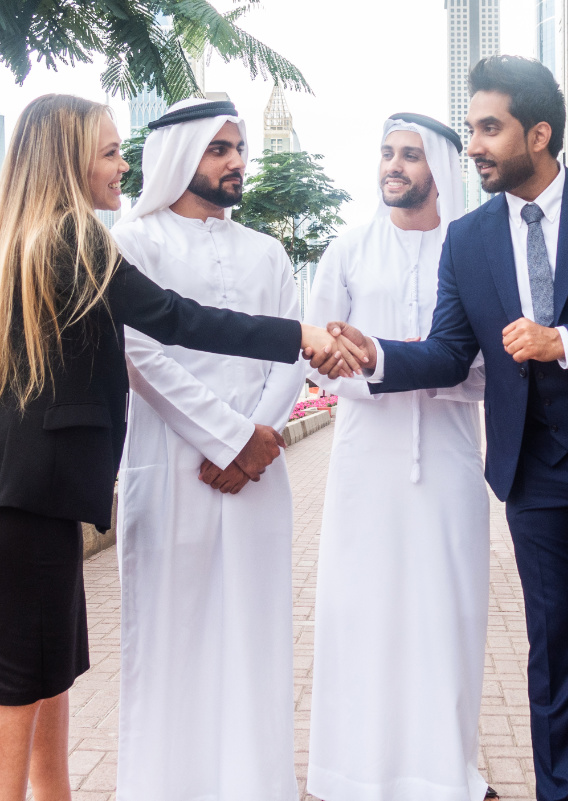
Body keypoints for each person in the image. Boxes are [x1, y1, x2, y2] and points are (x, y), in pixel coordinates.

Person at [317, 57, 568, 801]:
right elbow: (452, 351)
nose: (477, 144)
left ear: (540, 133)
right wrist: (379, 356)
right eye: (472, 128)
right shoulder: (470, 239)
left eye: (490, 128)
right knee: (552, 653)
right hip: (535, 474)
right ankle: (563, 793)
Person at [0, 94, 359, 801]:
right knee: (22, 678)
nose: (121, 163)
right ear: (70, 159)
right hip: (40, 492)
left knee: (46, 669)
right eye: (107, 151)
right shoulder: (76, 240)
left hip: (41, 495)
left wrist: (259, 427)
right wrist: (298, 338)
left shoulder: (38, 237)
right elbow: (169, 320)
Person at [111, 98, 302, 801]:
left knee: (255, 634)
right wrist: (228, 436)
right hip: (170, 467)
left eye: (240, 147)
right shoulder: (134, 240)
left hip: (257, 473)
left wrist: (257, 439)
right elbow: (139, 351)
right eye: (219, 148)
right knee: (174, 637)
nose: (235, 161)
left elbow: (293, 352)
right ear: (179, 156)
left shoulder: (268, 251)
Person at [305, 114, 493, 801]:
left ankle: (445, 771)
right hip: (365, 462)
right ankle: (348, 773)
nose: (394, 165)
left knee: (450, 613)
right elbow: (321, 363)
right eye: (387, 153)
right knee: (361, 614)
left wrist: (417, 364)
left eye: (409, 155)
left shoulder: (471, 251)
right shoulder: (349, 249)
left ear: (439, 168)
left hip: (447, 458)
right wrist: (381, 366)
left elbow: (489, 368)